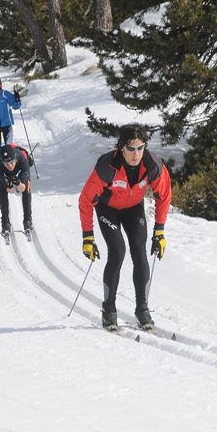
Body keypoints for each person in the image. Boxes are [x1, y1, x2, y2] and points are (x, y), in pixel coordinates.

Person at [78, 123, 172, 331]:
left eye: (140, 148)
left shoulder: (153, 165)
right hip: (107, 209)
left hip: (133, 209)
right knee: (118, 251)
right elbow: (85, 201)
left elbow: (164, 196)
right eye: (131, 149)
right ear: (121, 147)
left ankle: (142, 310)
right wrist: (88, 237)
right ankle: (109, 311)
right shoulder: (107, 166)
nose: (136, 154)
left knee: (140, 251)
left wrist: (159, 231)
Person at [0, 143, 33, 236]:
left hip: (20, 169)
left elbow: (22, 188)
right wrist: (9, 185)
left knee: (27, 189)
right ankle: (5, 223)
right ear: (2, 162)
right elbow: (11, 190)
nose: (10, 165)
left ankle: (27, 220)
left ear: (15, 159)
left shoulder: (22, 161)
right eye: (6, 164)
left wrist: (18, 182)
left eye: (11, 162)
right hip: (5, 173)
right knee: (3, 191)